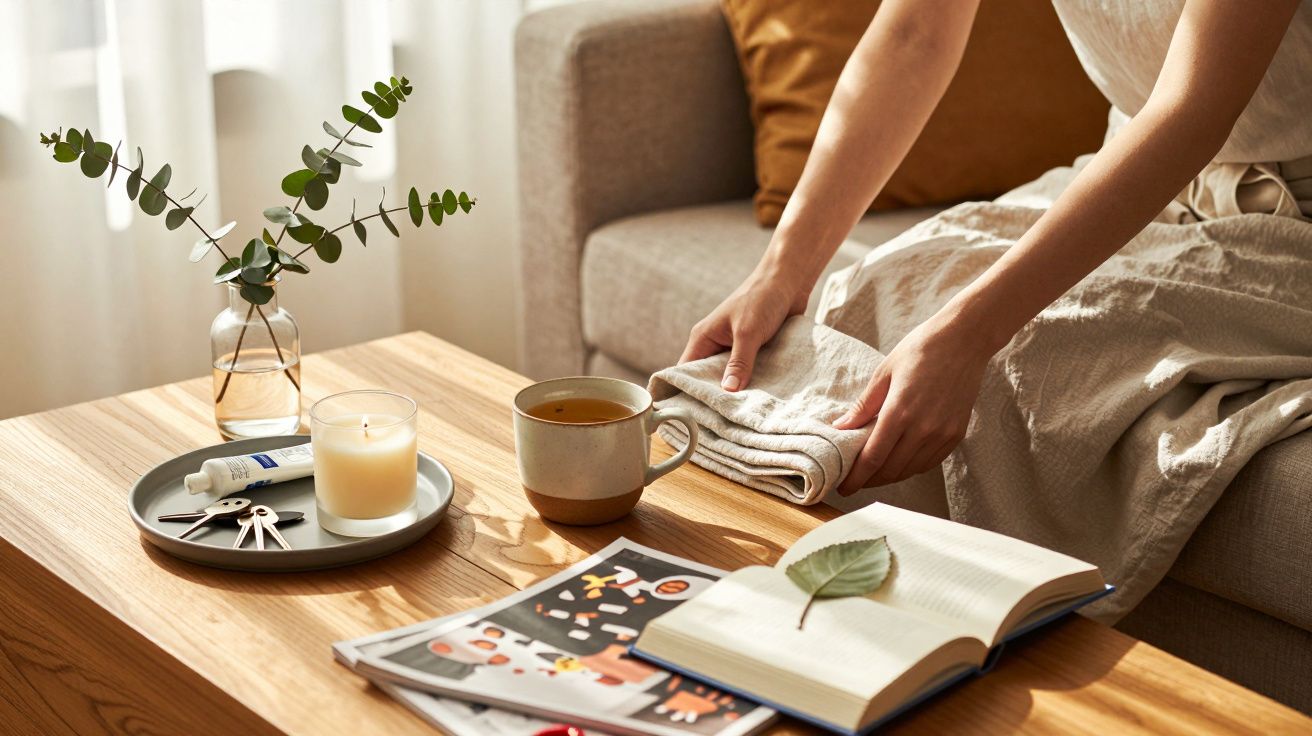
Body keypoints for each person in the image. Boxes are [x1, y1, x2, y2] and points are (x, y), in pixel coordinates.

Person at [679, 0, 1309, 496]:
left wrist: (971, 335)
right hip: (1154, 188)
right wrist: (780, 271)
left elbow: (1192, 105)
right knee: (865, 303)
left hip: (1290, 224)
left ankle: (1004, 635)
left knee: (1016, 373)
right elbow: (913, 36)